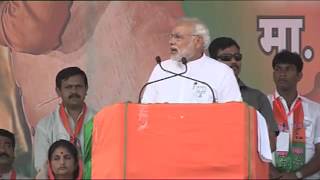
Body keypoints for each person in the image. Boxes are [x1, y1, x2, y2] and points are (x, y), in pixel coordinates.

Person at [141, 17, 242, 103]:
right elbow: (146, 108)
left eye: (178, 37)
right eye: (171, 37)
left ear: (197, 41)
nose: (171, 42)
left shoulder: (221, 72)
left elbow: (234, 112)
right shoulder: (161, 69)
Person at [208, 37, 278, 151]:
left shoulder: (257, 98)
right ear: (212, 62)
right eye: (226, 58)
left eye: (237, 57)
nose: (234, 62)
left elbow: (271, 144)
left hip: (243, 163)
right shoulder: (201, 94)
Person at [268, 50, 320, 179]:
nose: (282, 74)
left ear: (299, 76)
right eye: (278, 69)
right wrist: (273, 173)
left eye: (288, 69)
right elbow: (253, 149)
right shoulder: (263, 106)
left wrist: (297, 175)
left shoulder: (315, 109)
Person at [34, 67, 96, 173]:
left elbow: (106, 160)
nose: (74, 91)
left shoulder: (100, 121)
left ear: (86, 89)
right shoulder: (45, 126)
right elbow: (41, 167)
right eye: (68, 87)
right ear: (58, 91)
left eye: (78, 87)